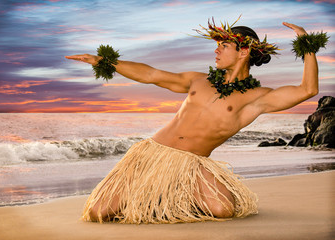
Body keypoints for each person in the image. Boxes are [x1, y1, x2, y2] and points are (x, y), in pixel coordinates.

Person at [65, 20, 326, 224]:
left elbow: (307, 89)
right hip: (151, 154)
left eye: (224, 46)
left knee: (223, 210)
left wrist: (307, 44)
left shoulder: (257, 98)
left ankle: (173, 196)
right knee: (99, 212)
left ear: (243, 50)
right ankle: (156, 196)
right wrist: (104, 61)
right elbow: (151, 74)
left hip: (192, 164)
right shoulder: (198, 80)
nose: (216, 50)